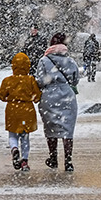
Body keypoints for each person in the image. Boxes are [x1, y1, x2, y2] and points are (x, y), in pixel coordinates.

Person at [34, 32, 81, 171]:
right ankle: (68, 161)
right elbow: (75, 79)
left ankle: (53, 158)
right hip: (67, 96)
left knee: (51, 128)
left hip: (49, 97)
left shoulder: (44, 61)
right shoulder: (70, 61)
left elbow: (40, 81)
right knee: (68, 130)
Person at [0, 51, 41, 171]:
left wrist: (9, 99)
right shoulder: (31, 80)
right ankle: (24, 161)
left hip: (12, 110)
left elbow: (1, 95)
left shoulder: (8, 80)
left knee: (12, 134)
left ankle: (14, 149)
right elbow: (37, 96)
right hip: (27, 110)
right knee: (25, 137)